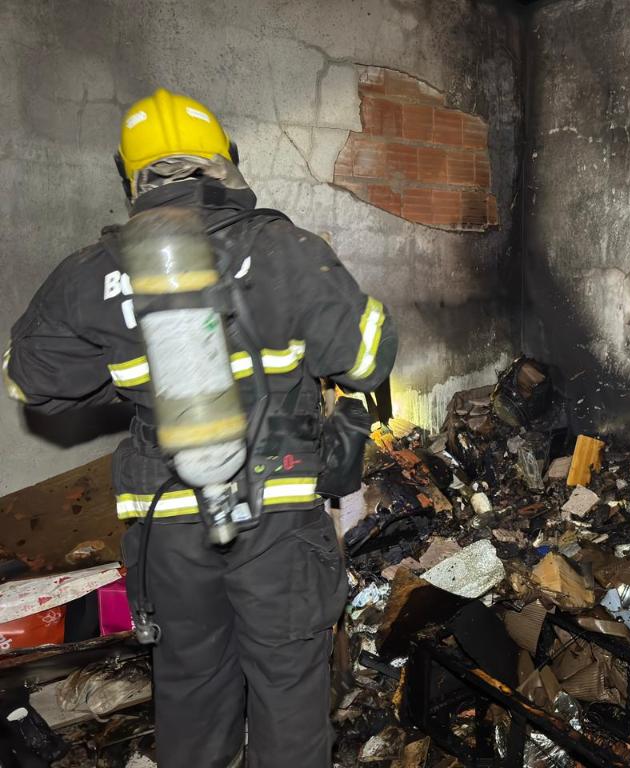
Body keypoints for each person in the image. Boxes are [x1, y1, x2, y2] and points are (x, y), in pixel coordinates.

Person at [3, 88, 397, 767]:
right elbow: (366, 360)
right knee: (288, 696)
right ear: (224, 160)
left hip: (167, 529)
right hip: (276, 519)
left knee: (190, 694)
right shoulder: (282, 247)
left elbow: (28, 380)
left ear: (132, 176)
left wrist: (127, 370)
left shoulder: (93, 271)